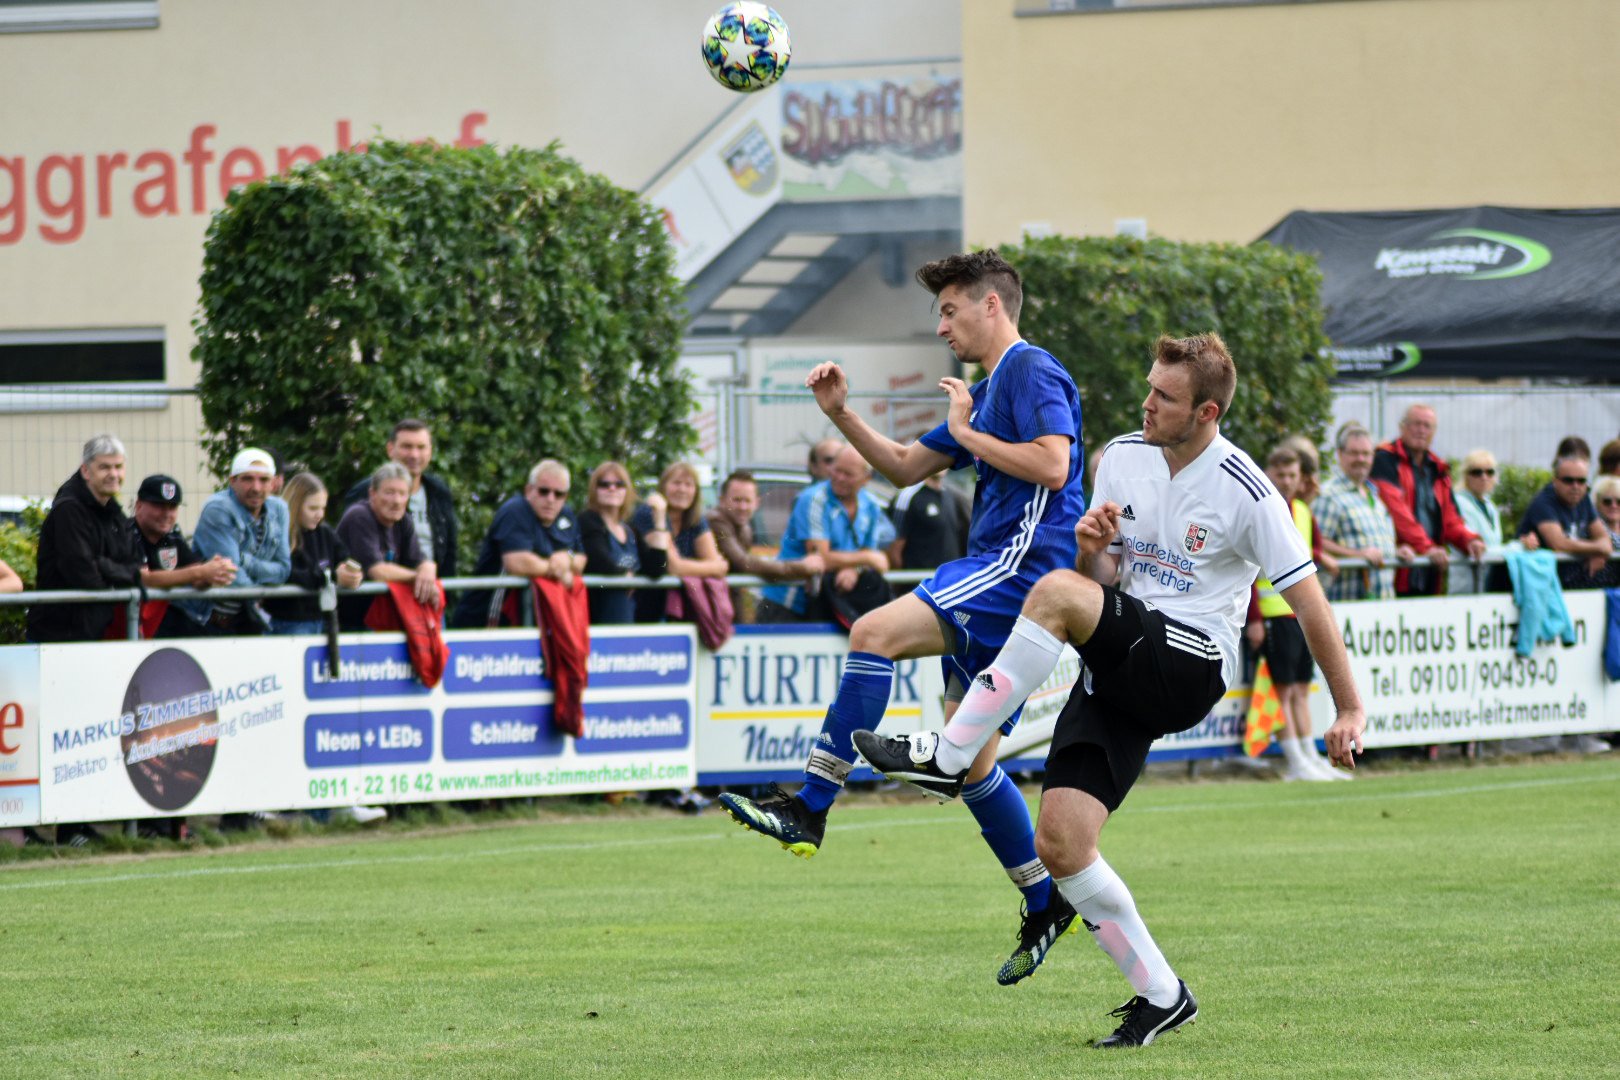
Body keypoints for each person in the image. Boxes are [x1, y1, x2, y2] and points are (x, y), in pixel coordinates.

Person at [855, 332, 1366, 1049]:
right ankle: (1162, 995)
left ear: (1208, 412)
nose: (1147, 402)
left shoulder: (1248, 490)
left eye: (1166, 396)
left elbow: (1310, 603)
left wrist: (1349, 707)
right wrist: (1092, 550)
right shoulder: (1122, 457)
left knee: (1052, 592)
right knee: (1061, 843)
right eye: (1150, 387)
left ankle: (949, 755)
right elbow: (1104, 580)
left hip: (1190, 664)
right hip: (1123, 661)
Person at [719, 250, 1088, 987]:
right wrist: (840, 414)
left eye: (950, 310)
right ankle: (1045, 899)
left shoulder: (1030, 370)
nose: (942, 327)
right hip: (1008, 575)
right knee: (973, 764)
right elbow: (902, 465)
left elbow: (1054, 464)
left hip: (1021, 569)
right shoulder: (987, 390)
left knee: (872, 633)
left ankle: (811, 806)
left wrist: (969, 433)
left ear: (991, 304)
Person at [1246, 446, 1344, 782]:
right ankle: (1294, 761)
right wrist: (1254, 618)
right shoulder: (1261, 508)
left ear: (1301, 478)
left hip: (1299, 616)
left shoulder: (1303, 510)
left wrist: (1323, 555)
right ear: (1268, 474)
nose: (1286, 481)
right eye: (1280, 474)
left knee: (1301, 689)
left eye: (1292, 475)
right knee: (1282, 691)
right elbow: (1249, 569)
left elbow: (1308, 551)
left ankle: (1310, 756)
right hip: (1273, 615)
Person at [756, 447, 896, 622]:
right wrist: (866, 558)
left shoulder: (871, 505)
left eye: (848, 474)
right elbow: (820, 558)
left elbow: (870, 556)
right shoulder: (813, 499)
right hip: (788, 602)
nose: (839, 478)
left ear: (866, 478)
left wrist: (855, 569)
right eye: (837, 470)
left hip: (829, 602)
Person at [26, 434, 143, 644]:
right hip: (57, 637)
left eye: (118, 467)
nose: (113, 474)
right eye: (104, 467)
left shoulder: (111, 509)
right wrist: (122, 575)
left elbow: (134, 562)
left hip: (95, 633)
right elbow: (83, 574)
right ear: (86, 471)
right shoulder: (68, 510)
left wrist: (103, 566)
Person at [451, 459, 587, 628]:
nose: (551, 499)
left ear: (565, 497)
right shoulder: (515, 510)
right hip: (487, 621)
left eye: (558, 494)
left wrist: (567, 559)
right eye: (544, 491)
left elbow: (581, 558)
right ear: (529, 490)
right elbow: (517, 562)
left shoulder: (566, 515)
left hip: (536, 623)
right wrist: (556, 569)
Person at [1370, 404, 1484, 595]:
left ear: (1434, 432)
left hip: (1430, 570)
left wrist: (1469, 540)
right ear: (1402, 427)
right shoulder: (1385, 459)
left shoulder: (1438, 468)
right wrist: (1428, 548)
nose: (1421, 430)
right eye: (1416, 424)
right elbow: (1398, 513)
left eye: (1427, 426)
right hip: (1397, 568)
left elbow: (1451, 519)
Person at [183, 448, 292, 635]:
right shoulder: (218, 508)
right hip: (204, 619)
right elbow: (232, 576)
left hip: (245, 618)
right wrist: (259, 588)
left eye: (263, 480)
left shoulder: (279, 509)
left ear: (273, 483)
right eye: (247, 479)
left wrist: (244, 561)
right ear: (232, 481)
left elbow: (283, 570)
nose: (256, 487)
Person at [344, 419, 460, 577]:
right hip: (380, 588)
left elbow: (450, 550)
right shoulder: (363, 493)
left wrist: (444, 586)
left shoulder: (439, 491)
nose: (414, 455)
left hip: (430, 586)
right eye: (407, 447)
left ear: (430, 451)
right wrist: (418, 577)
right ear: (390, 449)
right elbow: (359, 557)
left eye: (421, 447)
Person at [706, 470, 825, 621]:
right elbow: (745, 563)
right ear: (722, 500)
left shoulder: (744, 527)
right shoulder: (716, 521)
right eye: (736, 500)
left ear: (757, 503)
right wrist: (802, 568)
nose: (742, 507)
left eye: (747, 501)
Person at [128, 474, 238, 637]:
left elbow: (196, 576)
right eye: (159, 506)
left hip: (159, 620)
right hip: (125, 623)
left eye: (172, 507)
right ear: (139, 505)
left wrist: (214, 573)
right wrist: (201, 572)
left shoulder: (172, 536)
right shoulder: (126, 533)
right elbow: (145, 579)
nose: (166, 514)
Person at [1312, 423, 1411, 602]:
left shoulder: (1374, 496)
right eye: (1354, 453)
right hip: (1346, 603)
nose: (1361, 459)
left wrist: (1396, 552)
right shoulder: (1329, 495)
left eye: (1366, 453)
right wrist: (1357, 555)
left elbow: (1374, 545)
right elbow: (1317, 542)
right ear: (1340, 454)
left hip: (1381, 603)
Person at [335, 462, 440, 630]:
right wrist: (419, 577)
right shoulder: (359, 515)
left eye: (402, 494)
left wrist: (428, 567)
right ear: (372, 494)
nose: (396, 501)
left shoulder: (403, 520)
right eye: (389, 493)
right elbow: (377, 571)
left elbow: (417, 560)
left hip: (382, 619)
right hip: (349, 622)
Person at [263, 472, 364, 635]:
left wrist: (353, 575)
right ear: (295, 505)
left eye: (323, 508)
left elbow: (344, 558)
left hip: (326, 619)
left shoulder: (325, 532)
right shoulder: (277, 534)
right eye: (313, 508)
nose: (320, 514)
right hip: (289, 622)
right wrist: (332, 577)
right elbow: (287, 574)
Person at [630, 461, 729, 622]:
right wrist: (712, 567)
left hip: (684, 608)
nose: (682, 489)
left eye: (688, 485)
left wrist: (710, 567)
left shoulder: (697, 520)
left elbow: (715, 563)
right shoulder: (650, 512)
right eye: (676, 483)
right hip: (645, 605)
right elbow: (673, 566)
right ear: (663, 487)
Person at [577, 461, 669, 625]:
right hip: (600, 619)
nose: (612, 488)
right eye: (604, 484)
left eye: (619, 484)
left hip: (633, 620)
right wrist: (625, 577)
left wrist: (660, 521)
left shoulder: (631, 530)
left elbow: (657, 569)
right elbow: (598, 561)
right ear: (594, 490)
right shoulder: (588, 521)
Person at [1516, 446, 1612, 588]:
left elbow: (1605, 541)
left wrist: (1599, 551)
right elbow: (1559, 544)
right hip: (1533, 583)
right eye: (1568, 480)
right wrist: (1596, 550)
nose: (1575, 486)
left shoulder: (1584, 498)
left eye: (1581, 481)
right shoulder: (1544, 502)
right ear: (1555, 481)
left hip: (1564, 582)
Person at [1449, 449, 1507, 594]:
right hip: (1466, 584)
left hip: (1489, 581)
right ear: (1466, 476)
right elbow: (1478, 546)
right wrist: (1514, 549)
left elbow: (1494, 544)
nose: (1484, 477)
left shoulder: (1490, 506)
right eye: (1477, 472)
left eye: (1489, 472)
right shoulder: (1458, 502)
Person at [888, 470, 971, 570]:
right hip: (918, 577)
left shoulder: (952, 496)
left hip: (950, 577)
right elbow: (893, 550)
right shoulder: (907, 496)